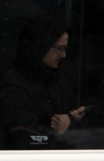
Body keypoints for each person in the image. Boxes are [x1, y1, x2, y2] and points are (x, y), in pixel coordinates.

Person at [1, 15, 86, 150]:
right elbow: (27, 137)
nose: (63, 55)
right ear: (40, 46)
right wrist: (59, 132)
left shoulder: (57, 79)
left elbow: (82, 128)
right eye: (59, 48)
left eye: (65, 49)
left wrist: (70, 123)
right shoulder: (13, 85)